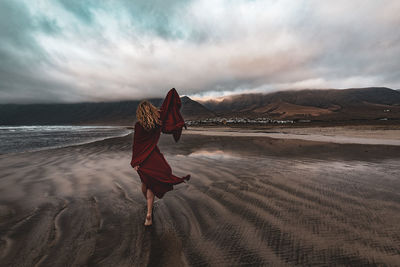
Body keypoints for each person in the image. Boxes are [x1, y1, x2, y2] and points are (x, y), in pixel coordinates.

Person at [131, 88, 190, 226]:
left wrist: (136, 162)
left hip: (143, 160)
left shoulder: (138, 126)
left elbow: (137, 145)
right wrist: (179, 123)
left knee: (145, 184)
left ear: (139, 113)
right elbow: (168, 117)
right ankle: (149, 214)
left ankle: (148, 208)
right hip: (155, 158)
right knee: (151, 185)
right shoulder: (158, 123)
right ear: (152, 110)